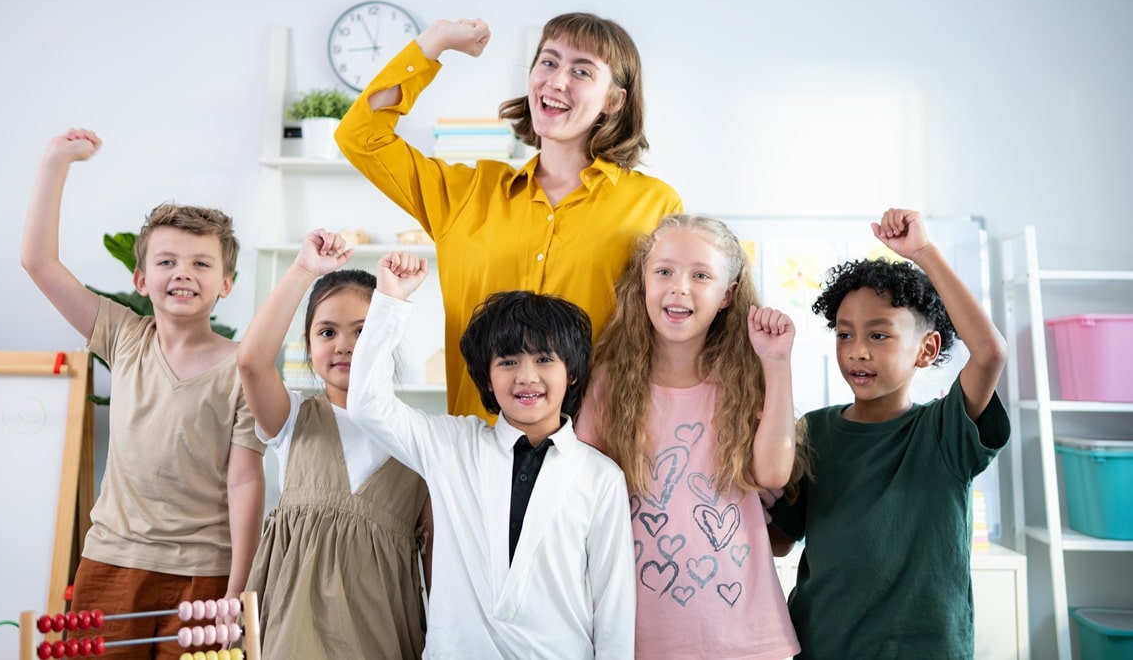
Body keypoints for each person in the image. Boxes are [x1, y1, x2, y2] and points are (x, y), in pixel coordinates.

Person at [335, 12, 683, 422]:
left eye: (582, 71)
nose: (556, 80)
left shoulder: (655, 207)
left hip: (594, 457)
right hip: (472, 457)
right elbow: (360, 137)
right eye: (548, 62)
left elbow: (670, 341)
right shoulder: (465, 195)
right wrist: (434, 42)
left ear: (614, 100)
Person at [20, 129, 265, 660]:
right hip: (111, 562)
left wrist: (237, 590)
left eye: (202, 263)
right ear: (140, 277)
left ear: (226, 283)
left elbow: (245, 478)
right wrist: (55, 161)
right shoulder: (123, 336)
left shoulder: (244, 366)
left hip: (206, 572)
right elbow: (39, 262)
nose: (183, 273)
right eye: (167, 261)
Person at [346, 253, 636, 658]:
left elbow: (614, 609)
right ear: (487, 376)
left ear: (572, 371)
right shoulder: (452, 447)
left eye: (544, 359)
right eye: (508, 361)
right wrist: (391, 302)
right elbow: (366, 405)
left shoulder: (600, 477)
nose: (526, 376)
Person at [766, 208, 1010, 660]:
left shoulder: (945, 431)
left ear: (927, 349)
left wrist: (924, 254)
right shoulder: (812, 431)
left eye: (879, 336)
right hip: (821, 646)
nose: (857, 351)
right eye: (844, 335)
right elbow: (779, 541)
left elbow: (991, 352)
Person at [575, 214, 805, 660]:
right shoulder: (607, 384)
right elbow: (585, 501)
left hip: (747, 637)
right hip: (638, 636)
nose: (679, 287)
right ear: (642, 283)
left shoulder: (752, 379)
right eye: (664, 271)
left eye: (700, 275)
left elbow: (774, 471)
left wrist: (777, 364)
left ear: (728, 295)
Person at [236, 230, 431, 658]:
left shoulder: (417, 440)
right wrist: (305, 269)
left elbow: (436, 565)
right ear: (308, 344)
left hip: (379, 636)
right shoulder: (294, 419)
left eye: (363, 331)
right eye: (327, 332)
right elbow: (251, 361)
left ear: (386, 337)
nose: (344, 345)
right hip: (292, 633)